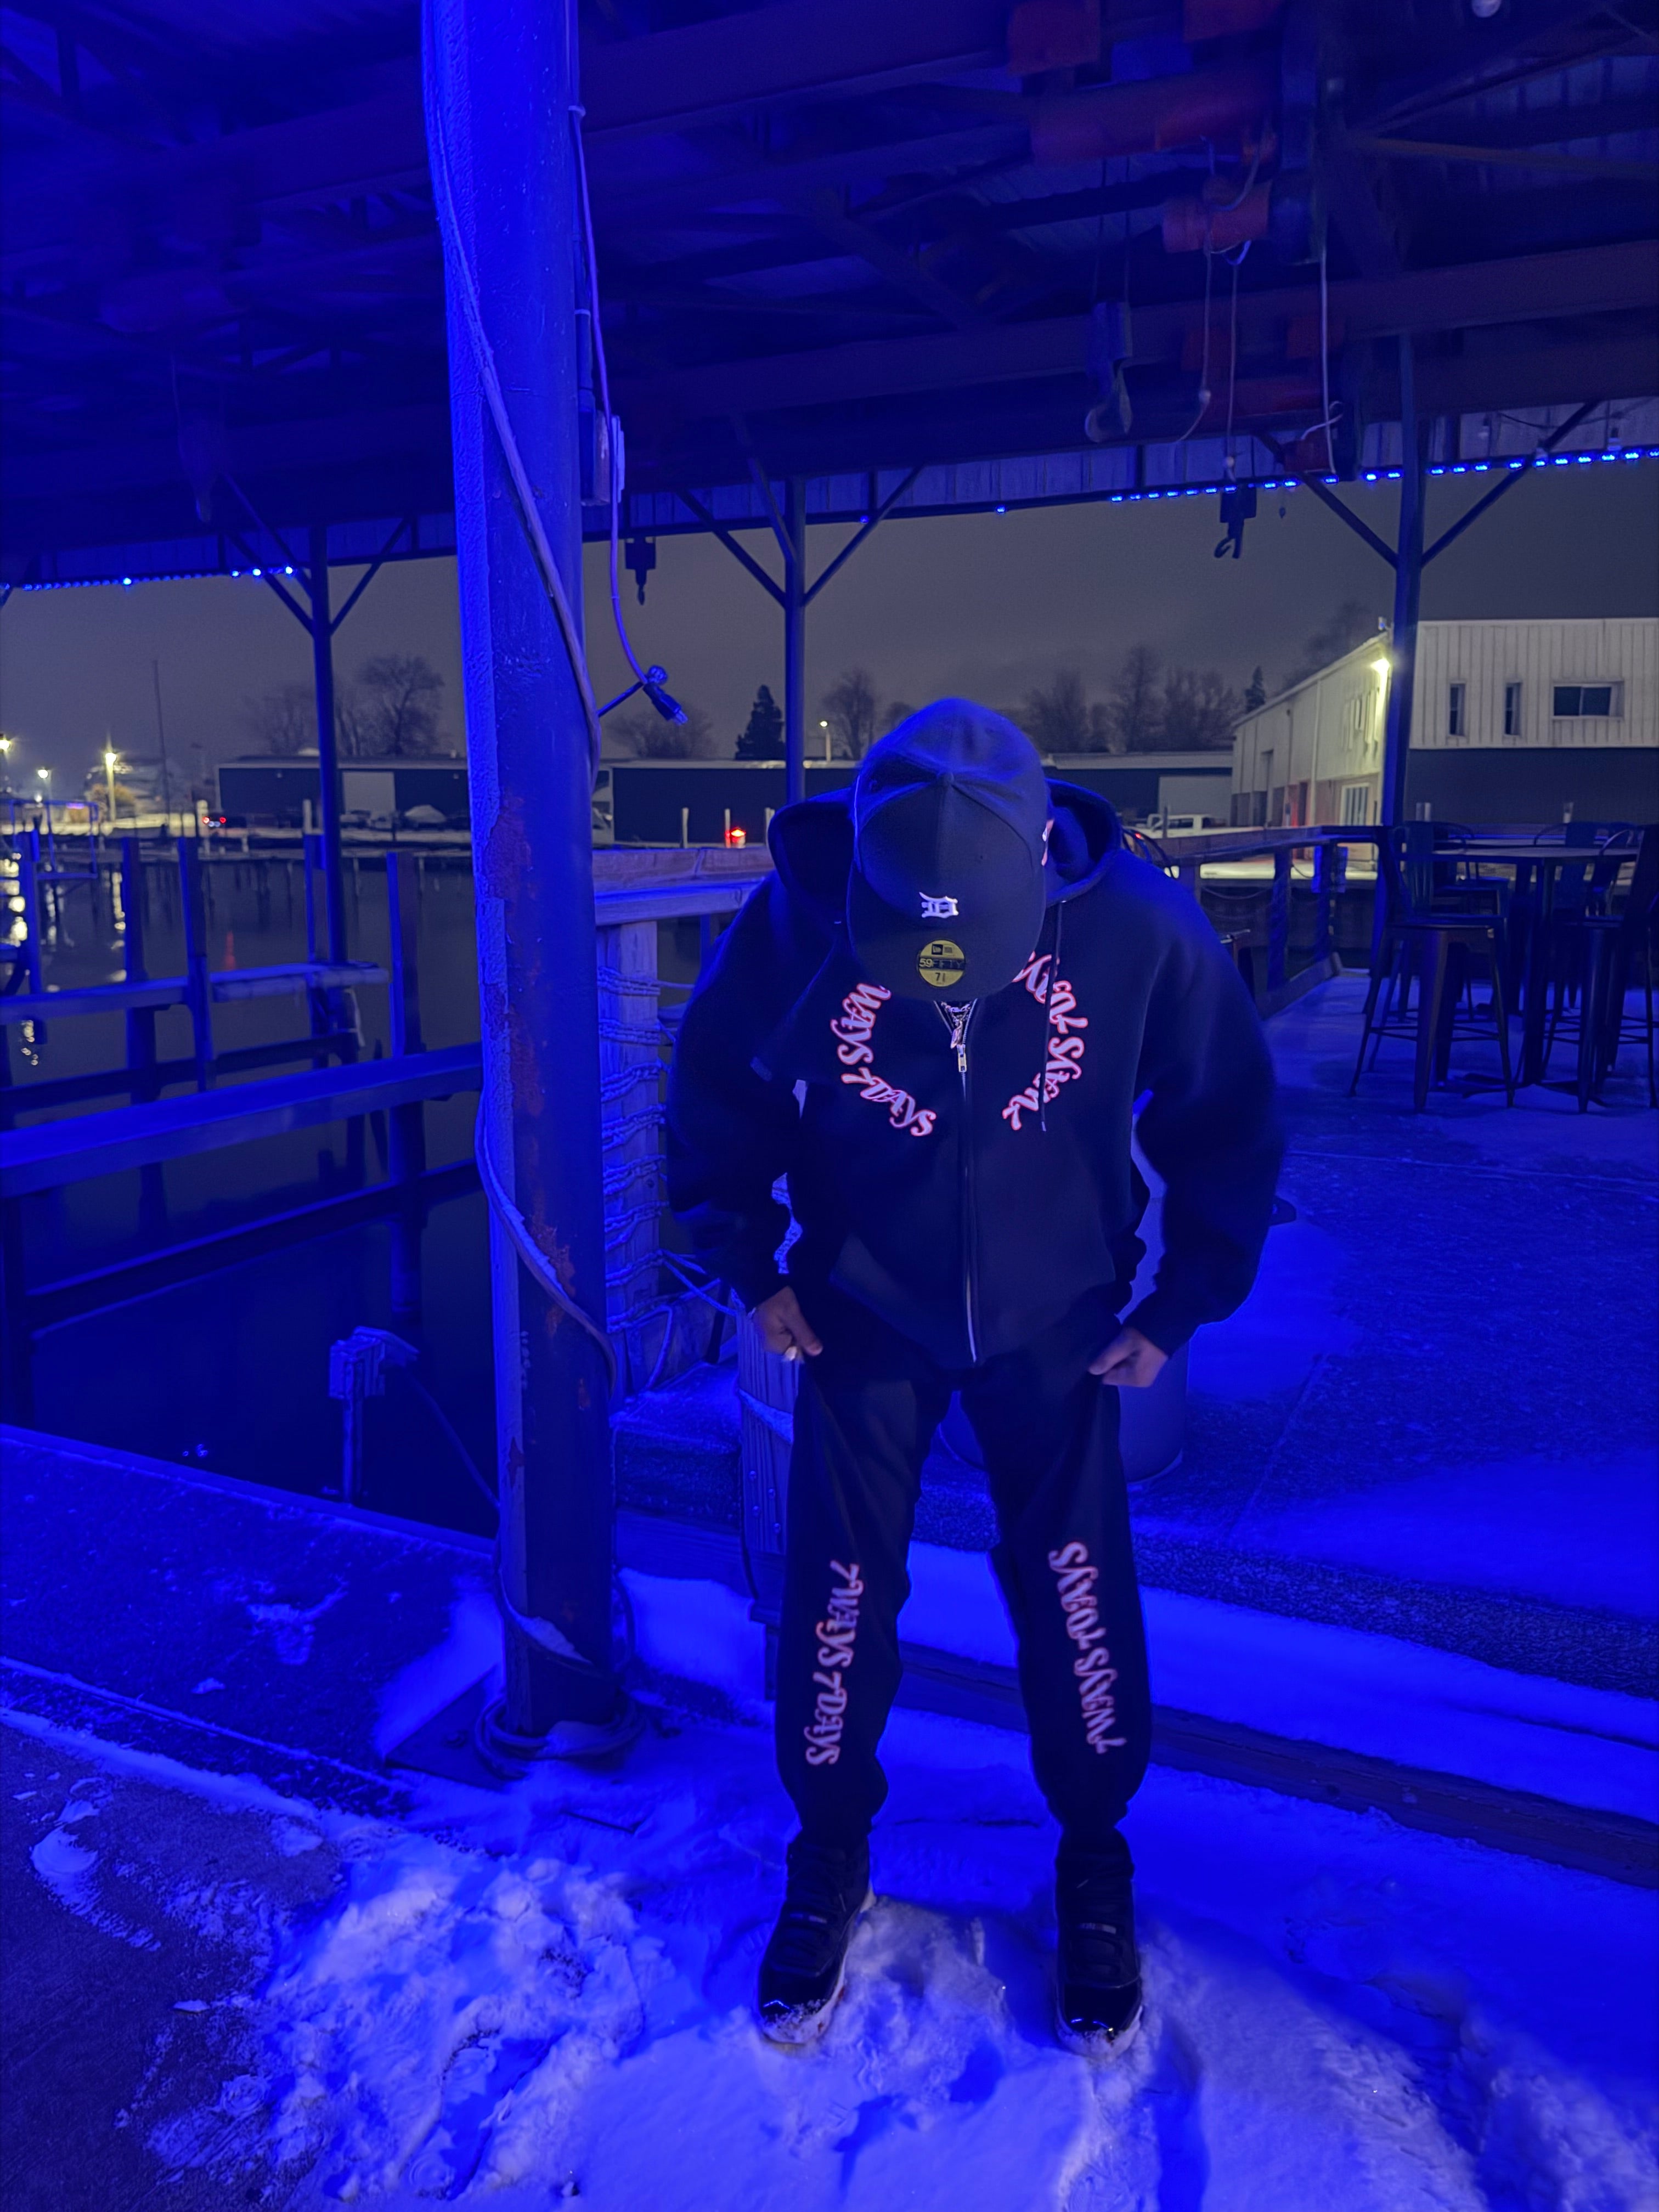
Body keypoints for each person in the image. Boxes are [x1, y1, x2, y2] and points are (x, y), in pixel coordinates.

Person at [667, 700, 1282, 2054]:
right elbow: (717, 1091)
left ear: (1039, 860)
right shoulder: (798, 917)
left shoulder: (1138, 925)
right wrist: (750, 1267)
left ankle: (1095, 1853)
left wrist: (1183, 1301)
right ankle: (828, 1847)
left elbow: (1227, 1111)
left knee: (1075, 1586)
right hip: (860, 1310)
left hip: (1057, 1317)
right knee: (838, 1587)